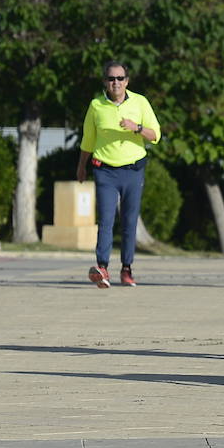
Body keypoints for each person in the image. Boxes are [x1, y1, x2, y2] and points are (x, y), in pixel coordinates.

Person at [76, 60, 160, 288]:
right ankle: (102, 268)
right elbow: (88, 140)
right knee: (105, 221)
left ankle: (126, 268)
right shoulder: (96, 106)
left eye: (120, 78)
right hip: (105, 171)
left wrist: (137, 128)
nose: (115, 83)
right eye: (111, 78)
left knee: (129, 222)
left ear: (127, 81)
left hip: (133, 170)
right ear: (105, 82)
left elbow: (155, 135)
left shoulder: (140, 102)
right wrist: (81, 166)